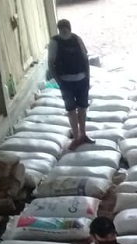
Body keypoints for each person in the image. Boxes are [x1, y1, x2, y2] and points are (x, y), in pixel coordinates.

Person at [47, 20, 92, 150]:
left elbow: (85, 58)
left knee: (82, 108)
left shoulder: (77, 39)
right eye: (62, 29)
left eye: (66, 29)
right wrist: (59, 81)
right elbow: (50, 63)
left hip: (81, 80)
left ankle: (83, 134)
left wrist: (87, 77)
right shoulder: (55, 42)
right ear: (59, 30)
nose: (65, 31)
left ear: (70, 29)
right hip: (66, 82)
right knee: (71, 110)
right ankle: (76, 137)